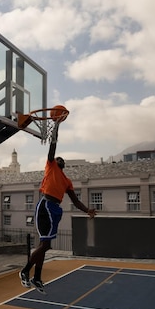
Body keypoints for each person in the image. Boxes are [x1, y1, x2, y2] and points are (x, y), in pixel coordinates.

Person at [20, 122, 96, 293]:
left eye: (62, 159)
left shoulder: (66, 181)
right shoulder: (51, 165)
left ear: (64, 165)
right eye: (57, 157)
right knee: (45, 245)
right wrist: (56, 126)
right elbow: (53, 146)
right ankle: (25, 271)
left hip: (55, 209)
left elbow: (75, 201)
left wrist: (87, 210)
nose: (58, 159)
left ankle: (37, 277)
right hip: (45, 205)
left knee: (44, 245)